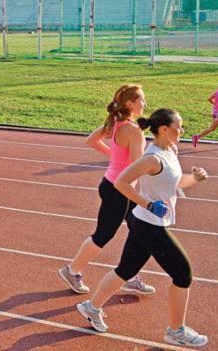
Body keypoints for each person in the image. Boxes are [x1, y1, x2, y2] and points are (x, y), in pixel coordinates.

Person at [76, 108, 210, 348]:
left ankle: (91, 307)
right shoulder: (152, 158)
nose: (183, 130)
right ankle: (176, 331)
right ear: (164, 129)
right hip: (150, 225)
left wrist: (195, 179)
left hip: (144, 221)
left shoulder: (171, 150)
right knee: (183, 274)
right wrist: (148, 204)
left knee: (125, 270)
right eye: (179, 126)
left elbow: (176, 184)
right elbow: (121, 182)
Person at [58, 85, 155, 296]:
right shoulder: (133, 130)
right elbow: (139, 164)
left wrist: (115, 155)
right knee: (103, 235)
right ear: (130, 103)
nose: (145, 104)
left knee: (139, 231)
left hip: (115, 186)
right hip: (119, 190)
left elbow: (91, 140)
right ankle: (72, 270)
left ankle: (128, 275)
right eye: (142, 100)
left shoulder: (114, 122)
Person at [191, 78, 218, 148]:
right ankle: (197, 137)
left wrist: (216, 104)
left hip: (215, 112)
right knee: (211, 129)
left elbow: (209, 99)